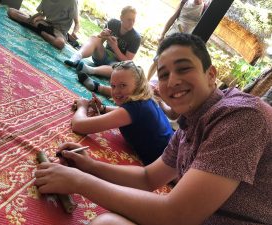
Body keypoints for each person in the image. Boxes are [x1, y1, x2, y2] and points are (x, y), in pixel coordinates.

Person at [35, 33, 272, 224]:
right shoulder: (192, 121)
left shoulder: (242, 116)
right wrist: (91, 166)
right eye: (164, 74)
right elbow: (149, 177)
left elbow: (177, 215)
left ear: (211, 74)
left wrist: (79, 182)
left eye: (183, 68)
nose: (172, 81)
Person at [71, 60, 173, 165]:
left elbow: (78, 125)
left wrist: (82, 107)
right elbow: (125, 113)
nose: (115, 91)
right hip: (173, 150)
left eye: (123, 85)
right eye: (113, 86)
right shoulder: (145, 100)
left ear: (138, 85)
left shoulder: (134, 109)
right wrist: (102, 108)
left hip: (172, 166)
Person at [64, 6, 141, 78]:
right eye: (129, 19)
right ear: (121, 18)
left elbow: (127, 62)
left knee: (121, 69)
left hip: (115, 64)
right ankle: (76, 58)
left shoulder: (136, 38)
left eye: (133, 20)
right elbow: (99, 40)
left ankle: (89, 70)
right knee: (93, 38)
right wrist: (102, 35)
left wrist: (115, 47)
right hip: (103, 55)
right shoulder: (113, 23)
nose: (131, 23)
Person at [147, 0, 208, 81]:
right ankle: (146, 83)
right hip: (172, 36)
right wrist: (162, 34)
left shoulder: (204, 8)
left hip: (185, 42)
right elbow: (172, 18)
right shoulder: (185, 2)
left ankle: (157, 85)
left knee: (172, 66)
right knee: (158, 59)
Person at [7, 0, 79, 50]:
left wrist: (74, 33)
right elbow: (42, 15)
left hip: (58, 31)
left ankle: (39, 31)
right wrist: (35, 18)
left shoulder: (71, 1)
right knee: (11, 11)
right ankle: (39, 29)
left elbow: (77, 23)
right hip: (44, 24)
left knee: (60, 43)